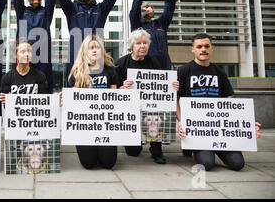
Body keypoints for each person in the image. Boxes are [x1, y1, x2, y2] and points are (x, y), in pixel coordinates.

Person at [177, 33, 261, 171]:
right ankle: (193, 149)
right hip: (197, 130)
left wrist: (246, 123)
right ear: (193, 49)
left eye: (206, 46)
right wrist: (181, 121)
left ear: (212, 48)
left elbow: (230, 103)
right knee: (207, 164)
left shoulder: (220, 73)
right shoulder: (183, 71)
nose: (203, 49)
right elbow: (176, 99)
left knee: (237, 164)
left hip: (219, 130)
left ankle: (215, 149)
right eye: (199, 46)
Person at [116, 28, 179, 164]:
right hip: (130, 109)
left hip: (150, 109)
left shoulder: (154, 62)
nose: (142, 46)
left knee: (156, 115)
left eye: (145, 43)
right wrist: (122, 87)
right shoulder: (121, 63)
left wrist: (172, 86)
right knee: (133, 152)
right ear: (131, 46)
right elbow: (113, 89)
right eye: (138, 43)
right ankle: (134, 139)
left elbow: (162, 84)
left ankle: (156, 150)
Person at [58, 0, 122, 84]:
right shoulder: (72, 9)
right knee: (74, 86)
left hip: (95, 54)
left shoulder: (100, 10)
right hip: (76, 53)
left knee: (97, 85)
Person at [67, 34, 118, 169]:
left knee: (109, 163)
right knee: (89, 163)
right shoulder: (77, 72)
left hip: (105, 122)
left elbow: (115, 98)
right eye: (91, 48)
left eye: (98, 47)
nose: (95, 50)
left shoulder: (110, 70)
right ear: (85, 50)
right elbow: (74, 100)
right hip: (85, 124)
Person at [12, 0, 57, 92]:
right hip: (24, 54)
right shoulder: (23, 12)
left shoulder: (46, 12)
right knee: (22, 86)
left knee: (44, 87)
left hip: (43, 55)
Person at [129, 0, 178, 70]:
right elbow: (134, 10)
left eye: (151, 7)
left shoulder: (160, 24)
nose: (149, 9)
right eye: (146, 7)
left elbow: (169, 10)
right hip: (146, 66)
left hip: (164, 66)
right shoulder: (137, 26)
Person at [0, 39, 48, 104]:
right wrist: (8, 100)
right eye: (23, 51)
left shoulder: (40, 76)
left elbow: (44, 102)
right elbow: (6, 106)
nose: (27, 54)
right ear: (15, 55)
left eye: (29, 51)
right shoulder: (7, 78)